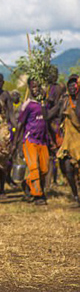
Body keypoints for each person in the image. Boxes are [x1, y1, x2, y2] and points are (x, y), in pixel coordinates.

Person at [14, 79, 51, 205]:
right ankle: (38, 196)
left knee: (44, 169)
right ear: (29, 88)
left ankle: (27, 183)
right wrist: (16, 143)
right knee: (34, 168)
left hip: (43, 141)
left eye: (38, 86)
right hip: (30, 140)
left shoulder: (45, 104)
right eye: (33, 87)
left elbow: (48, 121)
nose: (36, 89)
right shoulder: (28, 105)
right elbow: (20, 124)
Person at [56, 75, 80, 205]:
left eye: (74, 85)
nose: (72, 87)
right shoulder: (65, 101)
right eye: (69, 85)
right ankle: (75, 195)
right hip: (68, 140)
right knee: (68, 168)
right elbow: (57, 117)